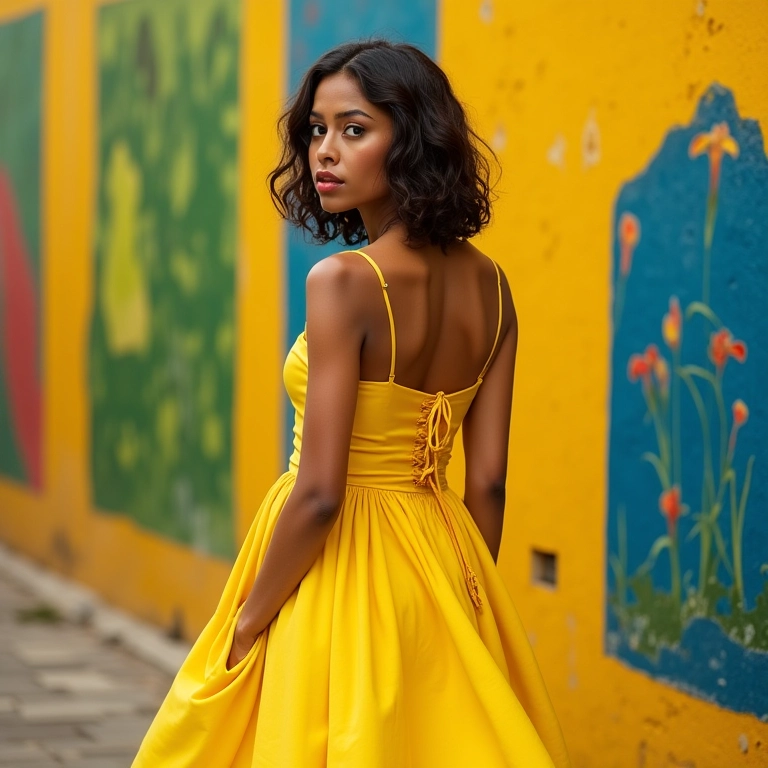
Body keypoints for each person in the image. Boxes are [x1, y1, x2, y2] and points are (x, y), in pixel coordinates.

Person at [132, 39, 570, 767]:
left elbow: (322, 495)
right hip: (443, 556)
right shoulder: (495, 288)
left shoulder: (342, 283)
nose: (324, 152)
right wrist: (461, 596)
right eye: (316, 130)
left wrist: (247, 622)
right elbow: (487, 482)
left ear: (414, 140)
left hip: (337, 567)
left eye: (354, 129)